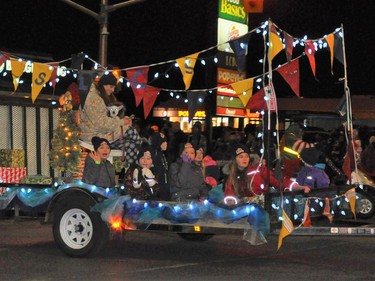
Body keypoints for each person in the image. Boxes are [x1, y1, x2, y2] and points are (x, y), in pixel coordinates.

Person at [224, 143, 310, 206]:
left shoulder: (259, 169)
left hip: (262, 203)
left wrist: (297, 186)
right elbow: (229, 190)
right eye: (241, 157)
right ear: (235, 160)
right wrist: (231, 200)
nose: (245, 159)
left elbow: (277, 180)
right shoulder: (232, 175)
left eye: (246, 156)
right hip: (244, 205)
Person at [149, 131, 170, 200]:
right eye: (163, 142)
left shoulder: (161, 154)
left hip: (163, 187)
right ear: (158, 143)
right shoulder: (155, 156)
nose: (166, 143)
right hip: (159, 190)